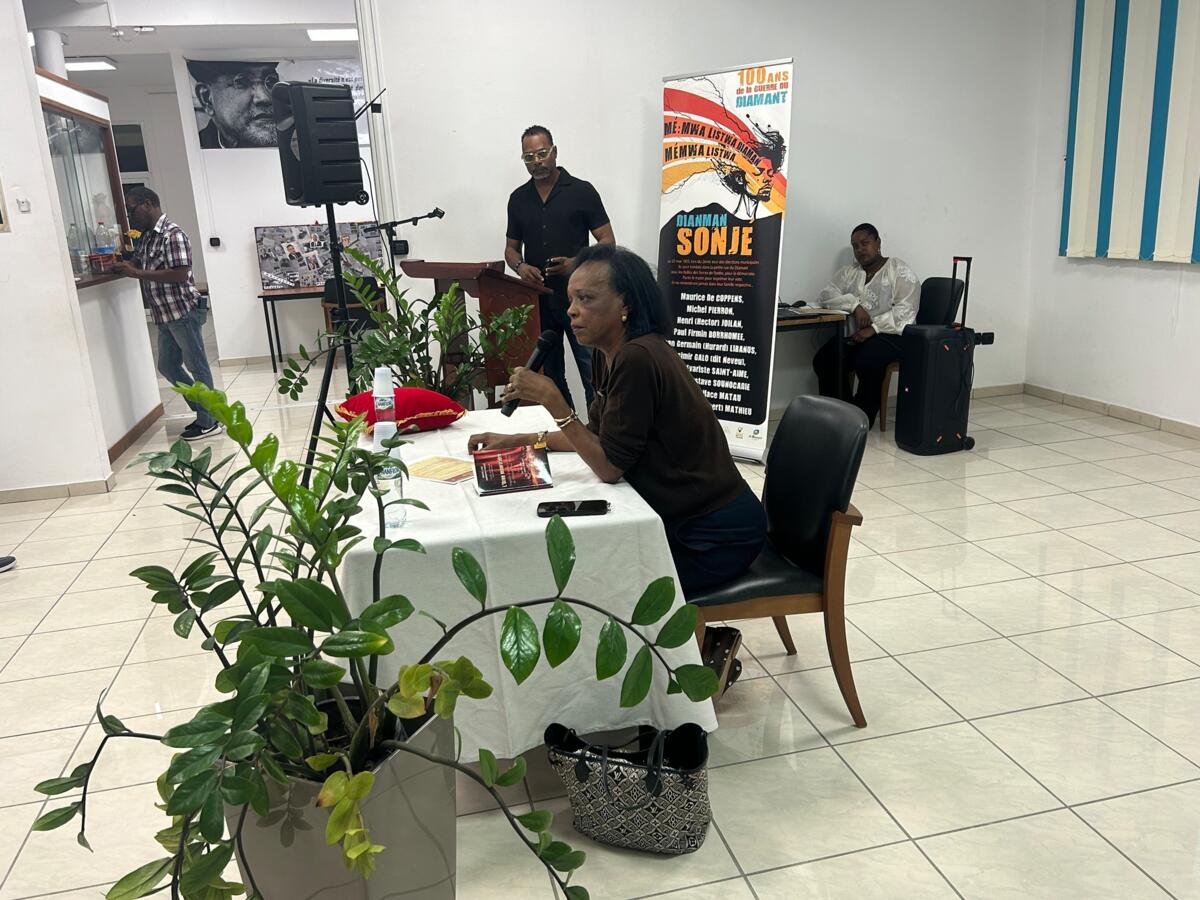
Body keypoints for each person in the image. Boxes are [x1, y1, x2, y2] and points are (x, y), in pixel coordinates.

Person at [469, 244, 767, 595]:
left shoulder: (638, 358)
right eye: (571, 299)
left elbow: (609, 466)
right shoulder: (608, 352)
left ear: (625, 304)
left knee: (593, 587)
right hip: (681, 519)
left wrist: (553, 400)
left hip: (711, 535)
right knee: (580, 568)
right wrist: (516, 441)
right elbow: (594, 436)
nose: (571, 311)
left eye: (586, 299)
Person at [504, 125, 615, 411]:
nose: (537, 161)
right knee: (551, 376)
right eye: (529, 157)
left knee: (591, 371)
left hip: (580, 301)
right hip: (539, 301)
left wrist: (575, 264)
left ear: (554, 152)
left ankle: (598, 430)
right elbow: (510, 250)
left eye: (542, 153)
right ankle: (568, 427)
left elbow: (607, 242)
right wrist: (520, 266)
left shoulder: (581, 191)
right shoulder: (518, 199)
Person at [113, 187, 220, 441]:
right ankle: (205, 411)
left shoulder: (173, 235)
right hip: (164, 314)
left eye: (132, 210)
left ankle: (209, 421)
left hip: (183, 311)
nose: (130, 216)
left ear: (148, 204)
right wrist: (127, 264)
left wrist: (137, 273)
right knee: (168, 366)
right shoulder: (148, 237)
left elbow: (180, 274)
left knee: (197, 366)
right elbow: (141, 261)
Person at [812, 223, 919, 428]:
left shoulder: (898, 269)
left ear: (878, 243)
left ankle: (861, 418)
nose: (860, 249)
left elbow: (907, 310)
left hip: (894, 336)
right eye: (855, 246)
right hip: (859, 335)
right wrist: (855, 306)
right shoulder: (850, 272)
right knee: (825, 358)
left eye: (865, 243)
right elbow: (826, 295)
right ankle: (840, 412)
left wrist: (874, 328)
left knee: (868, 358)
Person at [187, 60, 280, 149]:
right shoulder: (192, 148)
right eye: (242, 82)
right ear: (206, 98)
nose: (265, 98)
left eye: (271, 81)